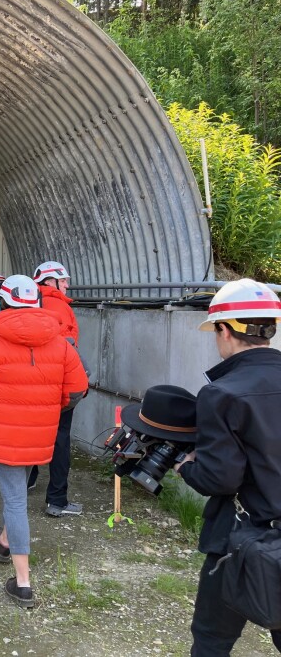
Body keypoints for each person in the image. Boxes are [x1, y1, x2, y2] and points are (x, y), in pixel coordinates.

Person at [0, 275, 88, 608]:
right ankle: (4, 538)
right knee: (16, 492)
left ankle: (23, 584)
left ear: (3, 301)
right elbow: (77, 391)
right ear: (37, 302)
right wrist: (46, 409)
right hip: (41, 433)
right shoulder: (60, 342)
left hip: (4, 434)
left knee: (15, 502)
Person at [172, 278, 281, 655]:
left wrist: (185, 466)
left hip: (243, 540)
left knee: (212, 638)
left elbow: (220, 478)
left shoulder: (222, 393)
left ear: (224, 329)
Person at [28, 260, 84, 517]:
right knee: (60, 439)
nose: (67, 285)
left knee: (30, 434)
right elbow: (66, 348)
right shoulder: (59, 306)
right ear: (50, 282)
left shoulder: (28, 302)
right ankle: (57, 500)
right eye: (64, 281)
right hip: (57, 385)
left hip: (31, 384)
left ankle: (27, 480)